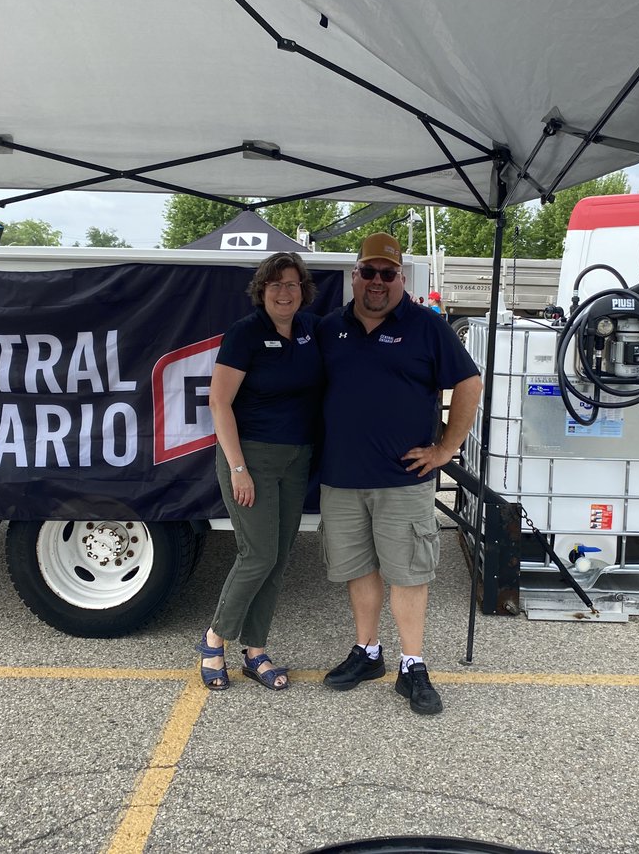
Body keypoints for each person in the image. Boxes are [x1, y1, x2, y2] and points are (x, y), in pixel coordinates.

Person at [316, 232, 482, 715]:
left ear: (401, 280)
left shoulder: (428, 327)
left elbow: (469, 383)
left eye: (387, 274)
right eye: (368, 272)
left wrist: (446, 448)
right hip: (342, 478)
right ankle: (368, 652)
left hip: (403, 480)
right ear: (354, 276)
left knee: (409, 572)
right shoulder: (329, 328)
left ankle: (413, 664)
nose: (376, 281)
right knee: (358, 569)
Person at [196, 252, 322, 691]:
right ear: (261, 292)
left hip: (296, 459)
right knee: (258, 555)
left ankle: (255, 650)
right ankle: (214, 640)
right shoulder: (245, 334)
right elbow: (219, 402)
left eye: (292, 284)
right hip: (250, 459)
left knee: (279, 558)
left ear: (303, 290)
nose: (284, 293)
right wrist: (238, 468)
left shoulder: (310, 330)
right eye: (275, 285)